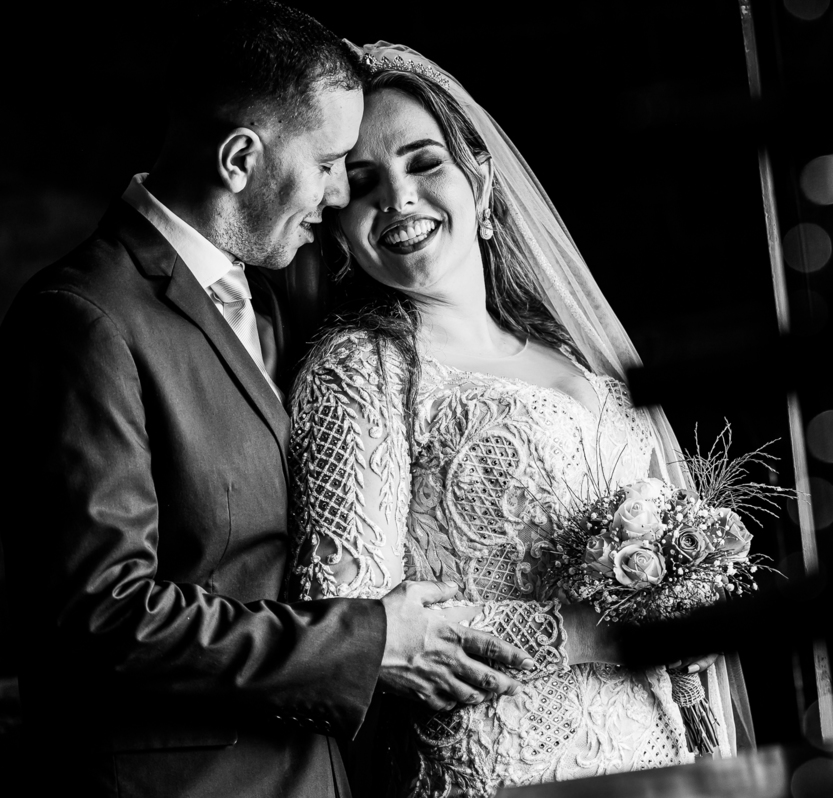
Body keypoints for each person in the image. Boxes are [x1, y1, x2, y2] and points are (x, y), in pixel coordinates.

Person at [0, 6, 535, 797]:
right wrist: (367, 642)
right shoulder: (83, 318)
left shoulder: (276, 302)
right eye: (328, 166)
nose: (333, 199)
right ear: (241, 157)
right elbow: (102, 617)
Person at [288, 42, 754, 797]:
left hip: (658, 752)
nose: (399, 198)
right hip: (508, 765)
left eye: (423, 162)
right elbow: (349, 627)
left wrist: (688, 616)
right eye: (364, 183)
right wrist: (579, 632)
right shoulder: (363, 368)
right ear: (338, 226)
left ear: (482, 176)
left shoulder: (570, 350)